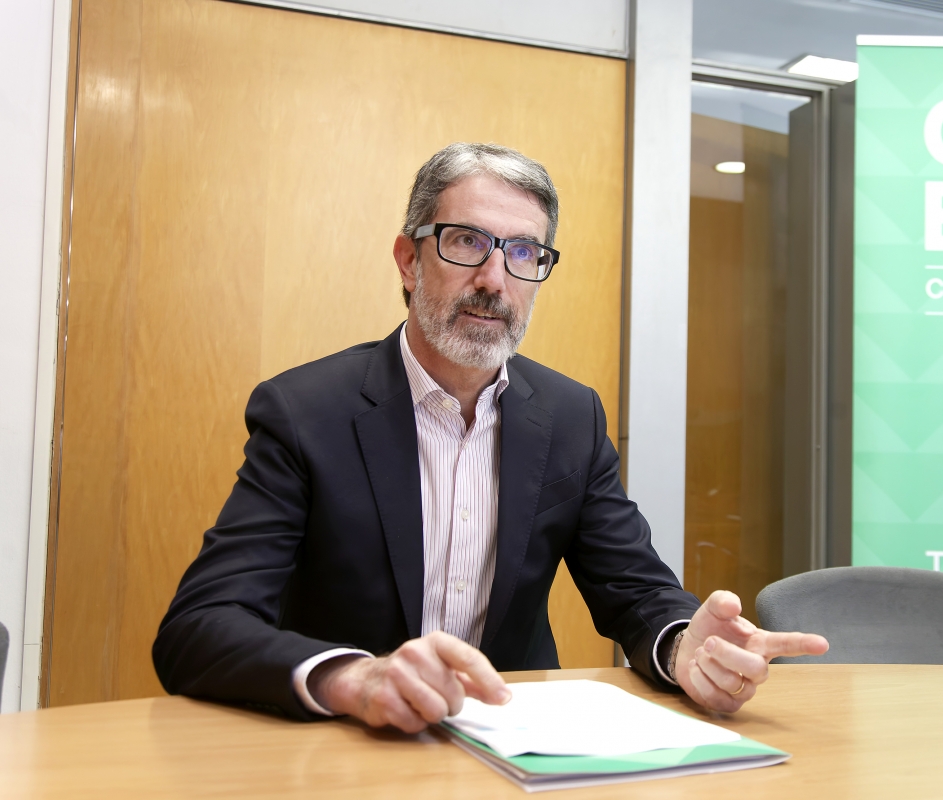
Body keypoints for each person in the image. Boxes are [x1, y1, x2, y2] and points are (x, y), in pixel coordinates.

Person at [153, 142, 828, 730]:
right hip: (347, 747)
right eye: (467, 242)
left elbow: (636, 590)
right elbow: (199, 628)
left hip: (516, 744)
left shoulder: (570, 416)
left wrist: (683, 645)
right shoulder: (305, 411)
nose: (493, 280)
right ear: (409, 260)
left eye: (523, 252)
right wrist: (353, 679)